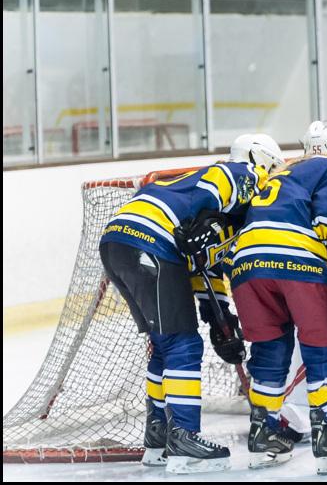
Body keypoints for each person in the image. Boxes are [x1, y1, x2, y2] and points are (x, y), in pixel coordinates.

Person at [99, 134, 283, 474]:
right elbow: (231, 181)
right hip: (151, 240)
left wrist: (219, 319)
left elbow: (204, 270)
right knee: (183, 344)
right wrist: (211, 214)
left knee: (164, 343)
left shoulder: (221, 216)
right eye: (272, 168)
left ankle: (158, 435)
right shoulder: (240, 172)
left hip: (119, 241)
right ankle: (184, 438)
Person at [227, 120, 327, 474]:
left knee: (269, 351)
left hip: (246, 264)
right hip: (299, 260)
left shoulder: (281, 173)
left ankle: (263, 435)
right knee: (322, 349)